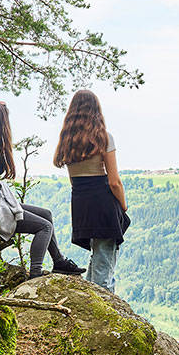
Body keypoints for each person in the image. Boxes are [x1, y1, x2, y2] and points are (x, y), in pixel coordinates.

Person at [0, 101, 86, 279]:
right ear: (3, 121)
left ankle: (59, 261)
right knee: (44, 227)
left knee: (46, 214)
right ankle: (35, 274)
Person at [53, 89, 129, 293]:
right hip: (103, 204)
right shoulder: (104, 138)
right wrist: (123, 205)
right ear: (96, 111)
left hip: (81, 204)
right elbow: (114, 181)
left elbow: (72, 180)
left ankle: (89, 302)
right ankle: (105, 316)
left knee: (97, 257)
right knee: (105, 265)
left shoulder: (68, 141)